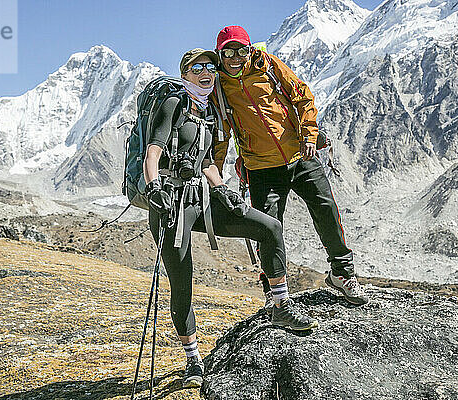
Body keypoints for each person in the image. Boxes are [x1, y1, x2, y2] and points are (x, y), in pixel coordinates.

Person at [144, 48, 318, 389]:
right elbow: (154, 152)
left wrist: (222, 188)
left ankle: (280, 303)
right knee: (182, 283)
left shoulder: (209, 110)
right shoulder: (174, 105)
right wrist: (154, 189)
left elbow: (207, 161)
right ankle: (193, 359)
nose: (207, 71)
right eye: (198, 68)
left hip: (203, 197)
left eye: (211, 66)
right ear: (185, 74)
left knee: (268, 227)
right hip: (171, 204)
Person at [211, 26, 368, 306]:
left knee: (327, 211)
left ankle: (342, 275)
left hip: (300, 156)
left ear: (250, 49)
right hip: (260, 169)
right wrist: (217, 176)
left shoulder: (268, 65)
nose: (235, 57)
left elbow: (303, 96)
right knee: (267, 229)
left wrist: (309, 135)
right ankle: (273, 291)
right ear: (219, 53)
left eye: (241, 50)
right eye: (228, 52)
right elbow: (222, 131)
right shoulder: (219, 87)